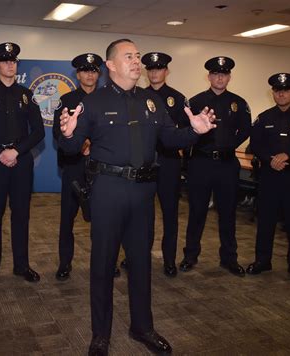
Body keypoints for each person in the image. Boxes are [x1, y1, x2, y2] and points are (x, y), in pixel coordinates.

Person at [58, 39, 216, 356]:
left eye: (138, 56)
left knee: (141, 263)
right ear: (111, 65)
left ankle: (142, 327)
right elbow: (71, 149)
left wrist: (195, 131)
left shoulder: (152, 101)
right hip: (108, 190)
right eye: (128, 56)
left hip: (144, 192)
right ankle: (100, 334)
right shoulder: (94, 103)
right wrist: (67, 134)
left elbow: (169, 138)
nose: (136, 61)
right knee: (102, 264)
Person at [0, 42, 45, 288]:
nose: (10, 65)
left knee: (21, 216)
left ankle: (22, 265)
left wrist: (17, 151)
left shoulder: (27, 94)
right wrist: (0, 152)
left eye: (13, 61)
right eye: (5, 61)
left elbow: (38, 133)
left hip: (21, 162)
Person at [179, 56, 251, 277]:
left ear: (229, 77)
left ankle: (229, 259)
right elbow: (185, 130)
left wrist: (229, 146)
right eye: (215, 74)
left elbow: (246, 130)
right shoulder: (196, 101)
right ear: (209, 76)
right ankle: (190, 256)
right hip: (201, 163)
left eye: (224, 74)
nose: (220, 77)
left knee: (228, 213)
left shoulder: (239, 103)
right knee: (197, 211)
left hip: (227, 164)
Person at [53, 53, 122, 281]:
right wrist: (81, 143)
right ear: (78, 74)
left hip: (103, 171)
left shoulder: (109, 99)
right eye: (84, 70)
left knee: (105, 221)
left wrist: (93, 143)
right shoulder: (67, 101)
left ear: (99, 73)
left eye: (93, 70)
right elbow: (58, 133)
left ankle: (106, 263)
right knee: (67, 220)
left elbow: (116, 135)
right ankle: (65, 264)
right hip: (74, 168)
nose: (89, 74)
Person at [246, 73, 290, 283]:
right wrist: (270, 159)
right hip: (270, 176)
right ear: (273, 93)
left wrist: (288, 156)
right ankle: (262, 261)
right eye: (278, 90)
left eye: (286, 89)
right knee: (266, 222)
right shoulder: (263, 118)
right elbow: (256, 145)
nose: (281, 93)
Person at [141, 51, 190, 277]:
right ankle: (138, 256)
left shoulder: (178, 99)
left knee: (170, 214)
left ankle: (169, 259)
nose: (154, 73)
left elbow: (184, 131)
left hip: (169, 162)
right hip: (145, 163)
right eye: (150, 69)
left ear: (166, 71)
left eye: (158, 68)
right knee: (142, 215)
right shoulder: (137, 96)